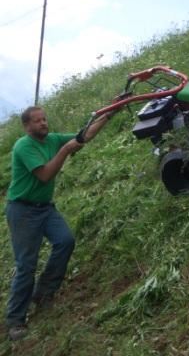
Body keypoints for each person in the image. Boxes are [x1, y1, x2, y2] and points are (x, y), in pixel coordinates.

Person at [4, 106, 112, 341]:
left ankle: (43, 293)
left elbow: (84, 136)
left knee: (65, 241)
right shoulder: (24, 146)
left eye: (44, 119)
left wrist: (109, 113)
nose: (43, 123)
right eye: (37, 121)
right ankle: (15, 319)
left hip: (44, 208)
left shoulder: (52, 139)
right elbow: (44, 175)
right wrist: (65, 151)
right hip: (22, 211)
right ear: (27, 126)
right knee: (26, 265)